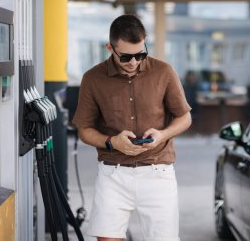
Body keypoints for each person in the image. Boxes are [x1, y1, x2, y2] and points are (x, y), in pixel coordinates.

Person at [72, 14, 192, 241]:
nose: (134, 62)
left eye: (140, 54)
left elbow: (184, 118)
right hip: (112, 174)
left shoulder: (164, 72)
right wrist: (112, 142)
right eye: (126, 57)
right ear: (110, 48)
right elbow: (84, 130)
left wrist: (162, 134)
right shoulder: (92, 78)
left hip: (158, 173)